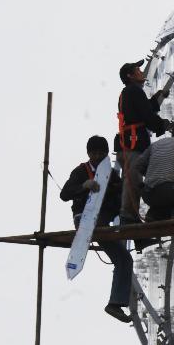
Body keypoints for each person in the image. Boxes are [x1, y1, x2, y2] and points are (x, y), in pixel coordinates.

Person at [59, 135, 133, 323]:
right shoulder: (81, 171)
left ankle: (115, 304)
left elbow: (121, 190)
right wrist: (83, 186)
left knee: (124, 259)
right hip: (84, 219)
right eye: (95, 153)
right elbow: (64, 194)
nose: (98, 156)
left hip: (102, 223)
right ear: (89, 153)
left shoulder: (109, 172)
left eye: (102, 153)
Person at [116, 59, 174, 222]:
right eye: (137, 70)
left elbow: (142, 110)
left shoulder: (129, 92)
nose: (142, 72)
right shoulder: (134, 91)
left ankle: (133, 218)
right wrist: (162, 124)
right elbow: (147, 116)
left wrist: (157, 98)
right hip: (132, 146)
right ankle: (128, 217)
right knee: (134, 182)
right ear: (130, 76)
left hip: (129, 144)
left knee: (135, 181)